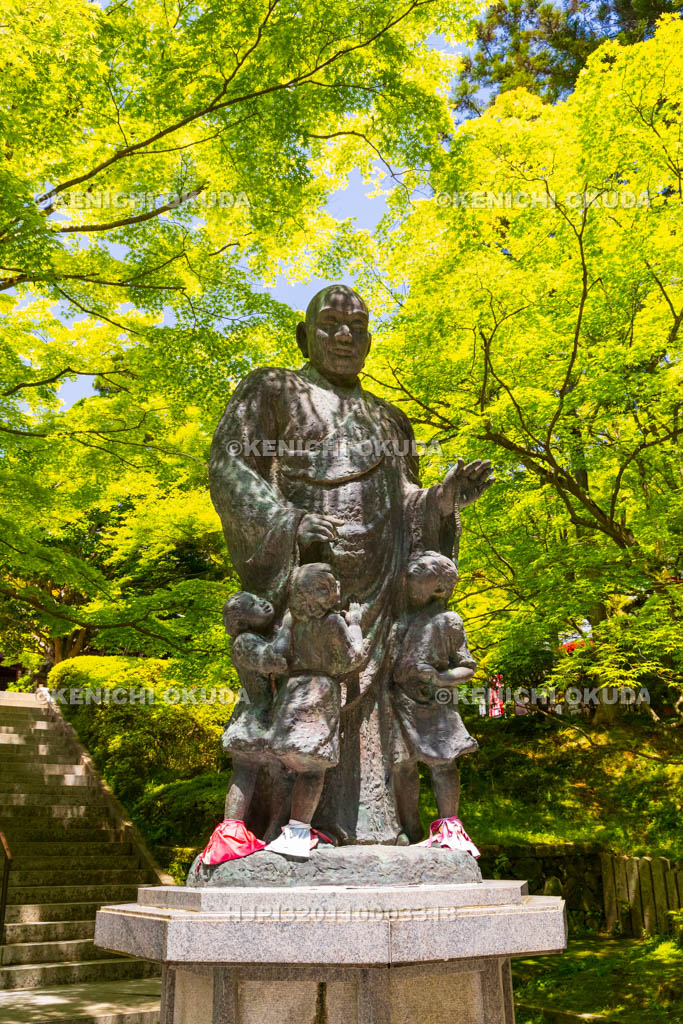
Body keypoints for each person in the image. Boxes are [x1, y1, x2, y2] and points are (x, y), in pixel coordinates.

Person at [209, 284, 493, 843]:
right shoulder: (273, 389)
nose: (345, 335)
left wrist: (443, 500)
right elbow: (230, 466)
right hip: (311, 580)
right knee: (305, 704)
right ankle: (281, 830)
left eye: (357, 326)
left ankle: (385, 829)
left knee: (380, 714)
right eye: (331, 323)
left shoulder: (390, 418)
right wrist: (288, 522)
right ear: (305, 334)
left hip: (382, 586)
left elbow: (407, 499)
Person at [265, 563, 366, 858]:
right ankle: (297, 831)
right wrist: (357, 624)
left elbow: (279, 654)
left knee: (290, 764)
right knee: (313, 769)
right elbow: (353, 658)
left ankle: (277, 829)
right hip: (320, 694)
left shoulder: (291, 619)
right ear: (323, 590)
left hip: (291, 694)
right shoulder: (334, 622)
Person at [390, 551, 480, 856]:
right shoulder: (397, 618)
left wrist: (442, 678)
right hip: (400, 701)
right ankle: (409, 827)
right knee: (403, 765)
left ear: (440, 587)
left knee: (444, 764)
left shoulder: (448, 622)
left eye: (423, 570)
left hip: (437, 703)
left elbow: (467, 667)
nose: (412, 572)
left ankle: (449, 825)